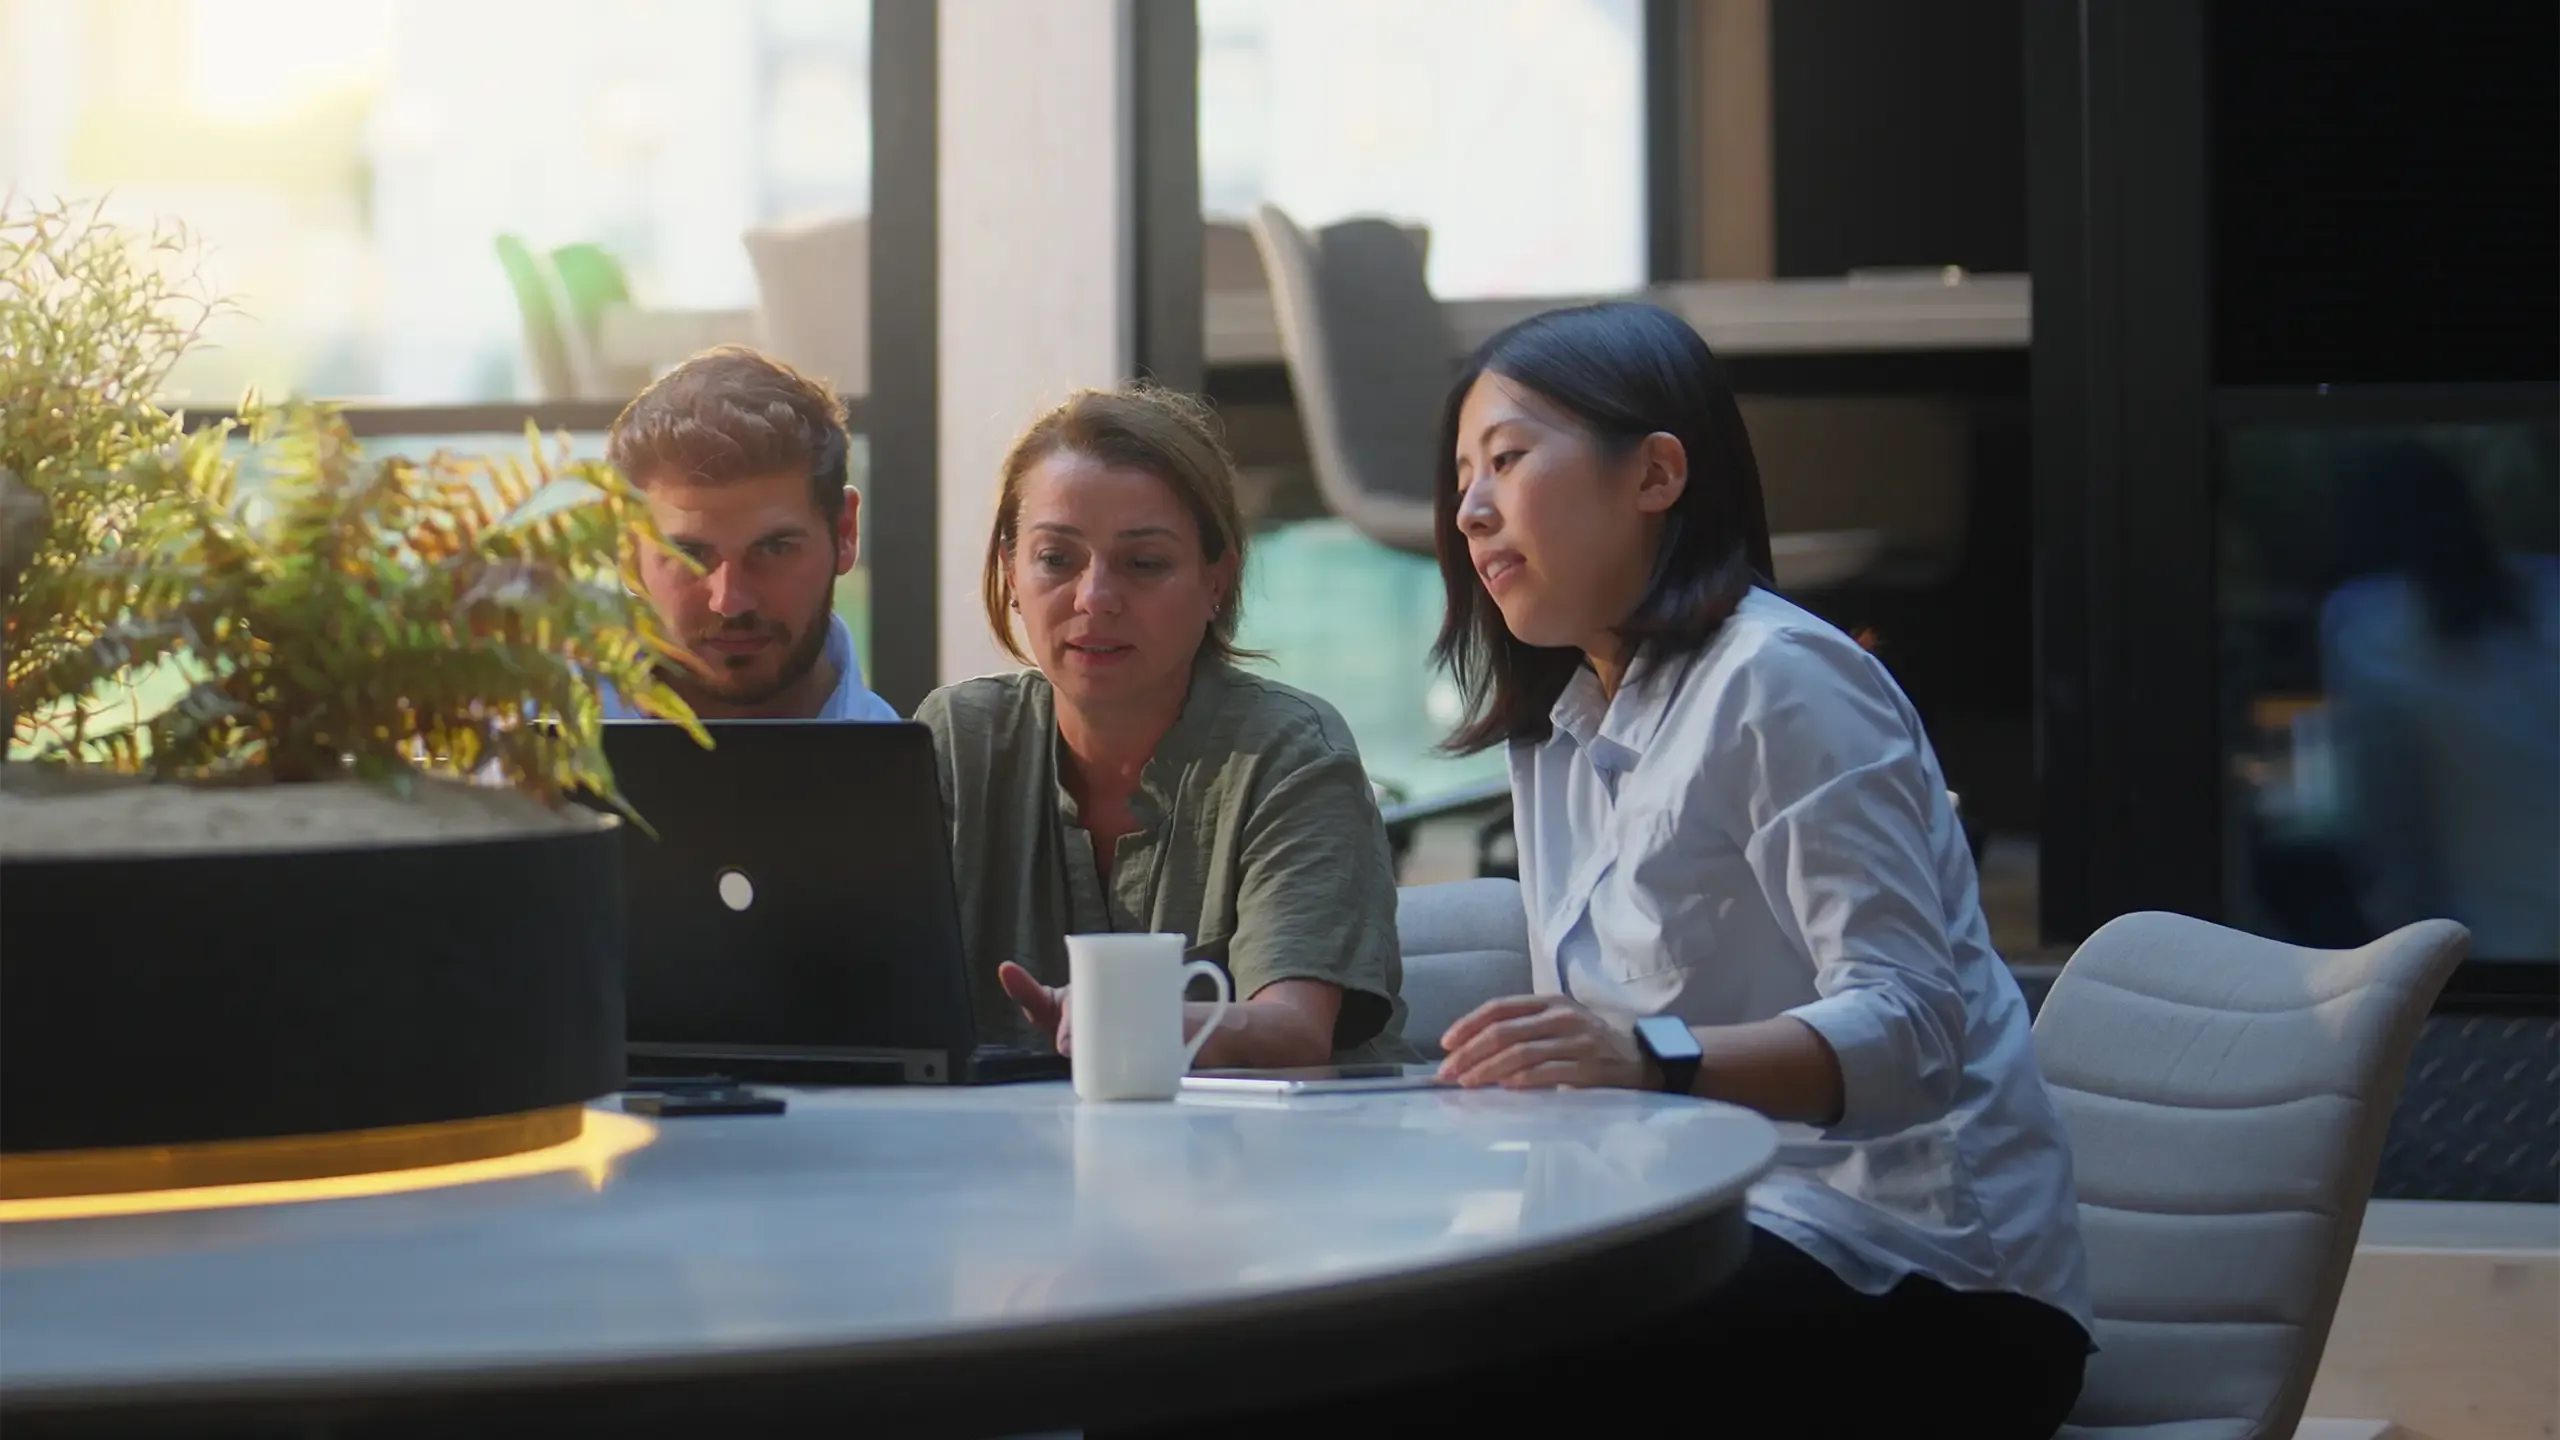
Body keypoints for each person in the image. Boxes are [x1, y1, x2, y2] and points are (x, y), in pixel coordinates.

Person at [1208, 303, 2093, 1439]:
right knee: (1265, 1338)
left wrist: (1643, 1058)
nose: (1468, 510)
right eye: (1463, 478)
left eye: (1506, 460)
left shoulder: (1782, 680)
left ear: (1656, 475)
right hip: (1685, 1234)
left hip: (1924, 1283)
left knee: (1392, 1371)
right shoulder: (1560, 729)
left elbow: (1915, 1031)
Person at [915, 385, 1409, 1067]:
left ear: (1217, 580)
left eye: (1144, 564)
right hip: (1004, 1135)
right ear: (1010, 571)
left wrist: (1127, 1018)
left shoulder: (1288, 750)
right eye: (1056, 559)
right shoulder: (956, 737)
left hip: (1269, 1135)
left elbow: (1294, 1030)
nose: (1095, 598)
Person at [601, 345, 897, 722]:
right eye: (688, 555)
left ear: (845, 534)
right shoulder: (531, 737)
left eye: (774, 548)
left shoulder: (919, 759)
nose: (729, 601)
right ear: (628, 553)